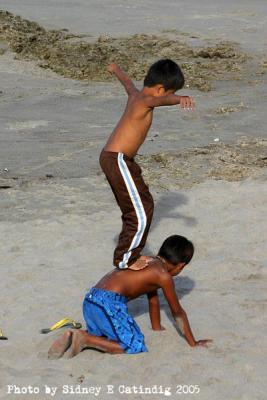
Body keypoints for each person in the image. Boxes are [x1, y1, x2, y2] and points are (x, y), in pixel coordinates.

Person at [48, 235, 212, 359]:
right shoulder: (164, 276)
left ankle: (75, 337)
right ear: (181, 266)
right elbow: (178, 312)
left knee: (106, 334)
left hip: (90, 299)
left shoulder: (149, 261)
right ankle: (84, 339)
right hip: (107, 303)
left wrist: (156, 327)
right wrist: (193, 342)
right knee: (134, 345)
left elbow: (152, 298)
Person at [99, 60, 195, 271]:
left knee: (146, 204)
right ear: (160, 89)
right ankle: (125, 258)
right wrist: (180, 98)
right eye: (169, 91)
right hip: (117, 160)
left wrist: (117, 69)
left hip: (122, 161)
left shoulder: (136, 95)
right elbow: (162, 100)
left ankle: (130, 253)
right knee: (139, 214)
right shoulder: (146, 100)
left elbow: (127, 84)